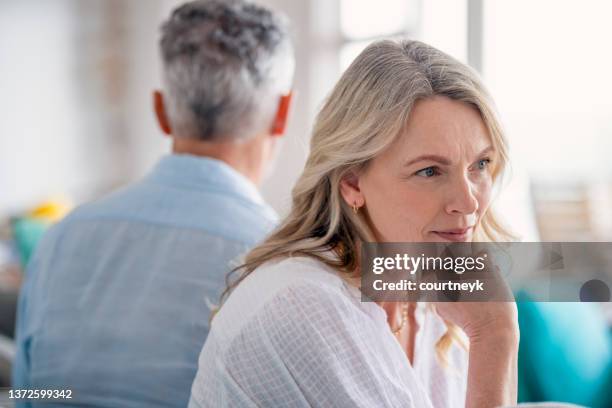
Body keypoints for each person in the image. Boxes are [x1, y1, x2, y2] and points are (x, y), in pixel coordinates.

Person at [189, 39, 519, 408]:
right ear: (352, 183)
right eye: (429, 171)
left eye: (481, 165)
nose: (469, 201)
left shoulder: (432, 298)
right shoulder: (304, 304)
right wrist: (495, 334)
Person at [12, 0, 294, 406]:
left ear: (160, 110)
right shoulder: (279, 260)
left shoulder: (59, 238)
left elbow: (27, 395)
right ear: (282, 113)